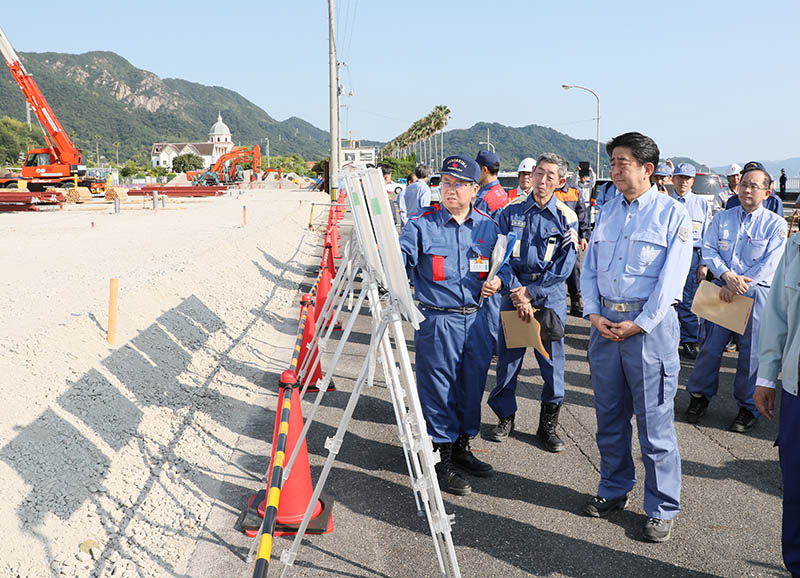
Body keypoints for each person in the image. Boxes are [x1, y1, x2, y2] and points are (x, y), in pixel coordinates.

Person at [580, 131, 692, 543]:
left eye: (621, 162)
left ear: (647, 169)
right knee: (609, 419)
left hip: (649, 331)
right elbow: (589, 268)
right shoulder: (607, 210)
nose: (614, 170)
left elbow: (671, 280)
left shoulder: (671, 214)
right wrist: (592, 313)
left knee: (655, 425)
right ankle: (613, 489)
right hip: (605, 326)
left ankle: (662, 507)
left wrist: (640, 323)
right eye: (612, 163)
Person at [399, 154, 511, 496]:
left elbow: (503, 265)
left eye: (459, 184)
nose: (450, 189)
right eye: (445, 182)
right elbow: (401, 261)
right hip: (438, 319)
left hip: (477, 320)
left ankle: (462, 445)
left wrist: (500, 283)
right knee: (438, 389)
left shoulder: (487, 227)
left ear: (475, 189)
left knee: (471, 385)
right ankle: (440, 456)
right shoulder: (421, 224)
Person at [684, 161, 787, 432]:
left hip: (755, 296)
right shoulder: (722, 218)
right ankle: (698, 397)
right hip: (721, 292)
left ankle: (747, 407)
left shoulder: (775, 224)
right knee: (709, 348)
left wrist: (737, 284)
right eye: (743, 184)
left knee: (752, 354)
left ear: (767, 192)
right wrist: (727, 277)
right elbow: (708, 250)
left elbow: (771, 263)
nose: (747, 190)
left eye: (754, 186)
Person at [486, 153, 577, 451]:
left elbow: (565, 266)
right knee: (508, 363)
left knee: (552, 365)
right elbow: (498, 255)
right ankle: (505, 418)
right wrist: (517, 290)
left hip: (548, 300)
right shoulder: (510, 211)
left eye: (551, 175)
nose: (542, 180)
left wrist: (532, 293)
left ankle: (547, 426)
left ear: (560, 182)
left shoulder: (566, 217)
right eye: (539, 173)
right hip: (513, 295)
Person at [754, 230, 800, 578]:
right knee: (796, 489)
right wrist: (767, 376)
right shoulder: (796, 247)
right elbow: (778, 315)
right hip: (798, 391)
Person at [671, 163, 711, 359]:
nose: (683, 181)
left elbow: (707, 235)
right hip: (670, 255)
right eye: (679, 177)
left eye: (687, 178)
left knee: (688, 300)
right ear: (673, 179)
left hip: (692, 255)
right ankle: (674, 336)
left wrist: (703, 263)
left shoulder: (701, 203)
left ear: (693, 181)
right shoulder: (666, 202)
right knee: (670, 296)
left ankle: (689, 340)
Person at [555, 175, 590, 316]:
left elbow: (582, 216)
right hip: (553, 238)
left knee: (574, 270)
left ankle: (576, 301)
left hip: (571, 238)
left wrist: (584, 236)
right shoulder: (550, 191)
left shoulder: (574, 193)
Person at [474, 150, 509, 217]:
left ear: (484, 170)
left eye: (477, 169)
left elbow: (477, 225)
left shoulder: (484, 198)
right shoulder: (502, 192)